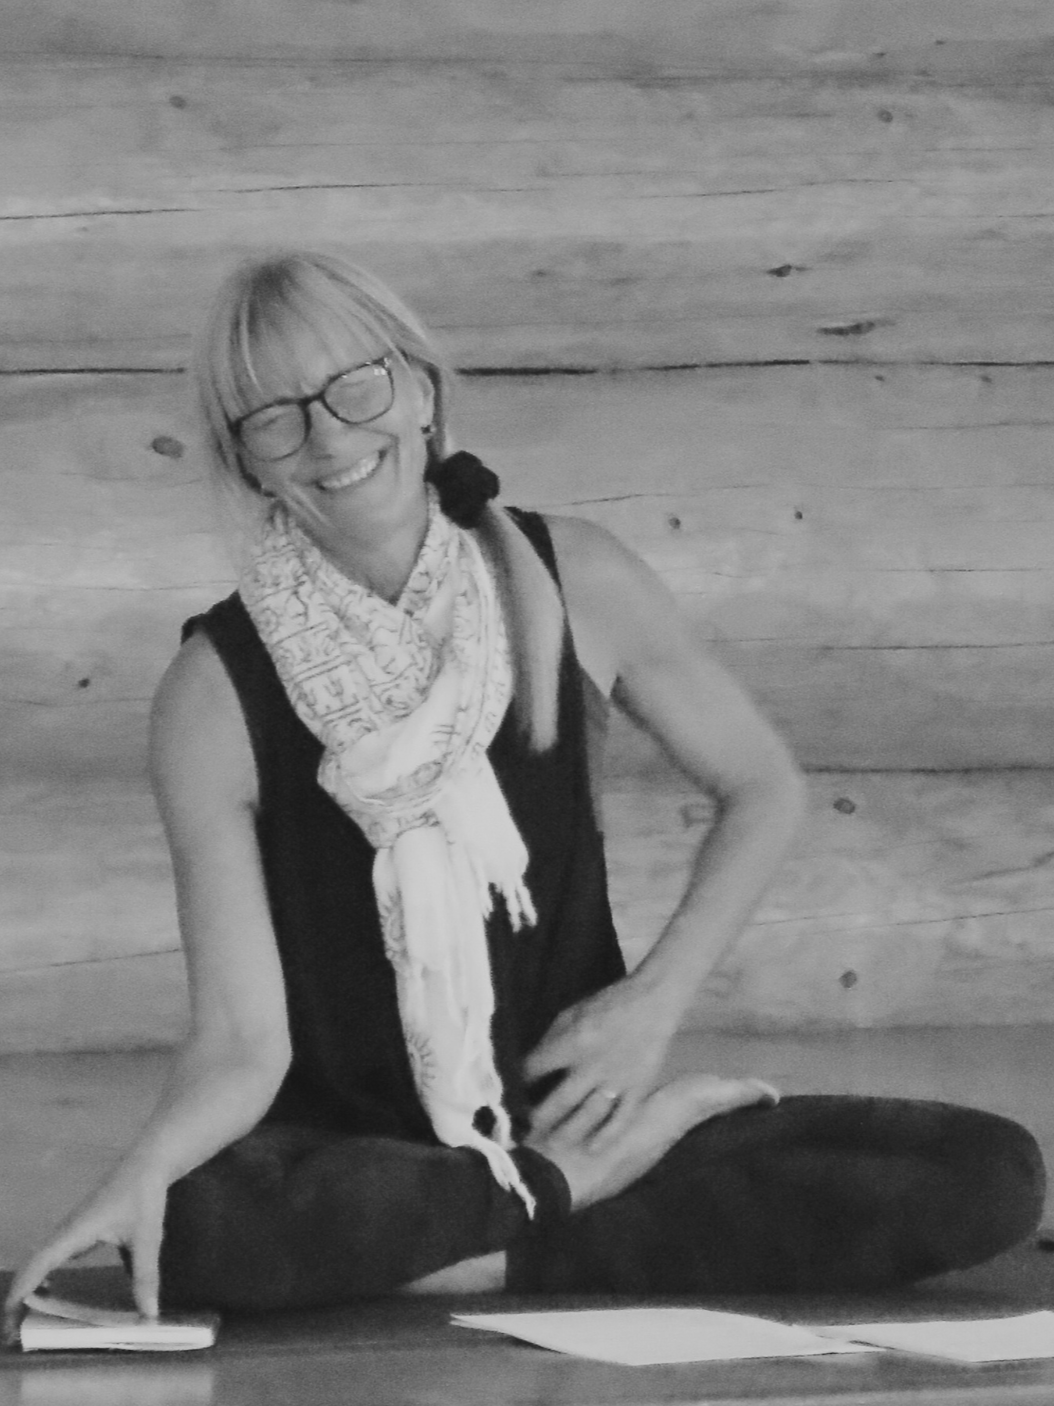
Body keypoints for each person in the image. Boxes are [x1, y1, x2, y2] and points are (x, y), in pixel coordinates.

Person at [5, 251, 1043, 1327]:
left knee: (985, 1171)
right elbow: (241, 1043)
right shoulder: (212, 692)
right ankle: (559, 1207)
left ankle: (500, 1234)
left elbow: (763, 786)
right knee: (206, 1226)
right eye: (274, 418)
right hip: (361, 1157)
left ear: (421, 391)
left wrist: (651, 1003)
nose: (328, 437)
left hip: (575, 1109)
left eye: (355, 386)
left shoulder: (573, 578)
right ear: (246, 462)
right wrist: (139, 1177)